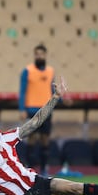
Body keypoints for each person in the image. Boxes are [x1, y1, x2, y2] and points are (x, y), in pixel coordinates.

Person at [18, 44, 71, 175]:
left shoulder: (50, 71)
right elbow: (22, 91)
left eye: (41, 54)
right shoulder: (27, 71)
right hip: (32, 110)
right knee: (31, 138)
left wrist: (63, 100)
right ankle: (29, 169)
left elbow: (52, 90)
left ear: (45, 55)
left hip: (47, 110)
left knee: (45, 140)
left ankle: (44, 170)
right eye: (37, 54)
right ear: (34, 55)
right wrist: (22, 109)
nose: (39, 56)